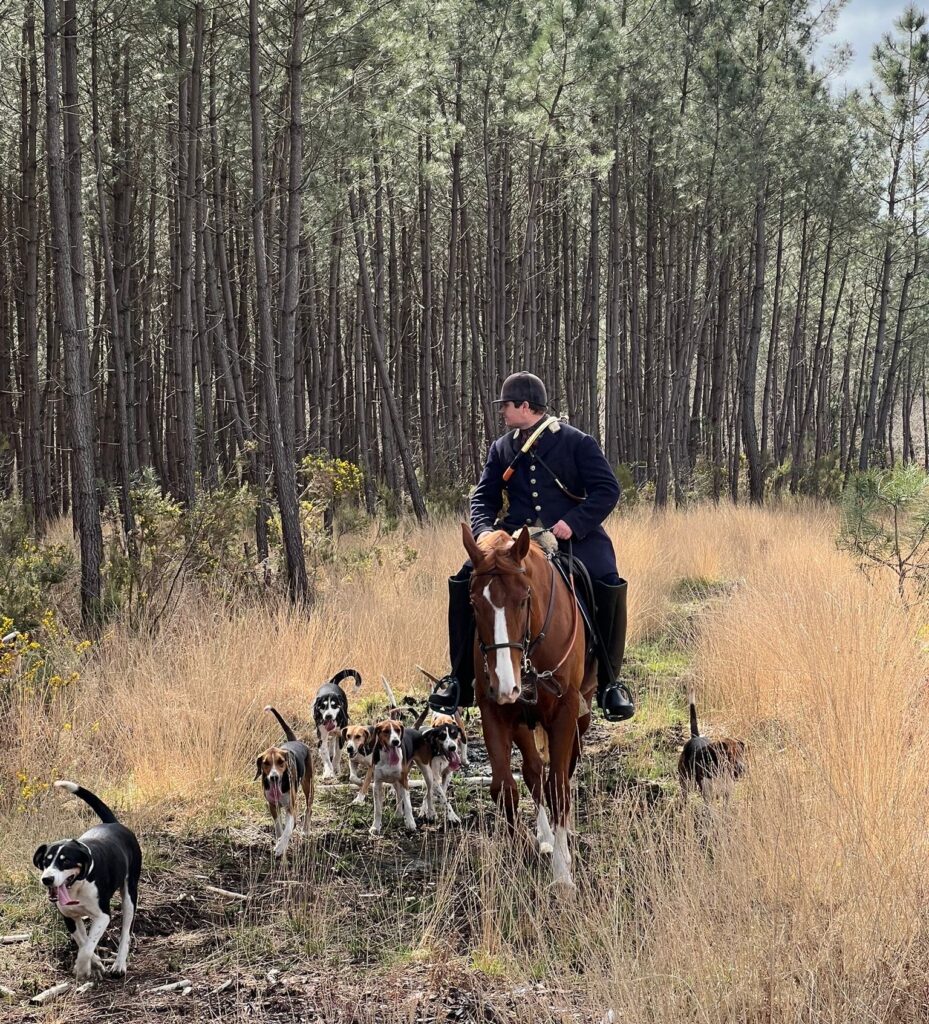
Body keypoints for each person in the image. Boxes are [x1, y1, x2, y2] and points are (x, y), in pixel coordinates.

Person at [428, 371, 635, 722]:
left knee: (606, 581)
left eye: (506, 405)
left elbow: (607, 490)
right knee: (465, 580)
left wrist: (574, 523)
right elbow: (483, 497)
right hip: (515, 542)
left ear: (525, 406)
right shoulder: (502, 448)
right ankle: (459, 678)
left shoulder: (577, 442)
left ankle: (610, 684)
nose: (502, 412)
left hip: (573, 538)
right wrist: (483, 533)